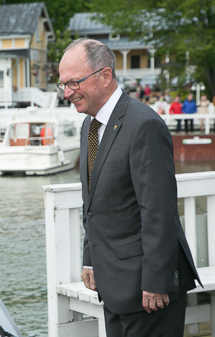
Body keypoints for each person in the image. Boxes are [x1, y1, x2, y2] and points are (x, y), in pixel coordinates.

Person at [58, 38, 200, 337]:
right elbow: (94, 202)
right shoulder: (90, 126)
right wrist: (90, 260)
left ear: (105, 76)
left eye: (73, 83)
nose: (67, 93)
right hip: (113, 285)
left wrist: (156, 281)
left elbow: (158, 210)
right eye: (63, 85)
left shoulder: (143, 125)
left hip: (148, 291)